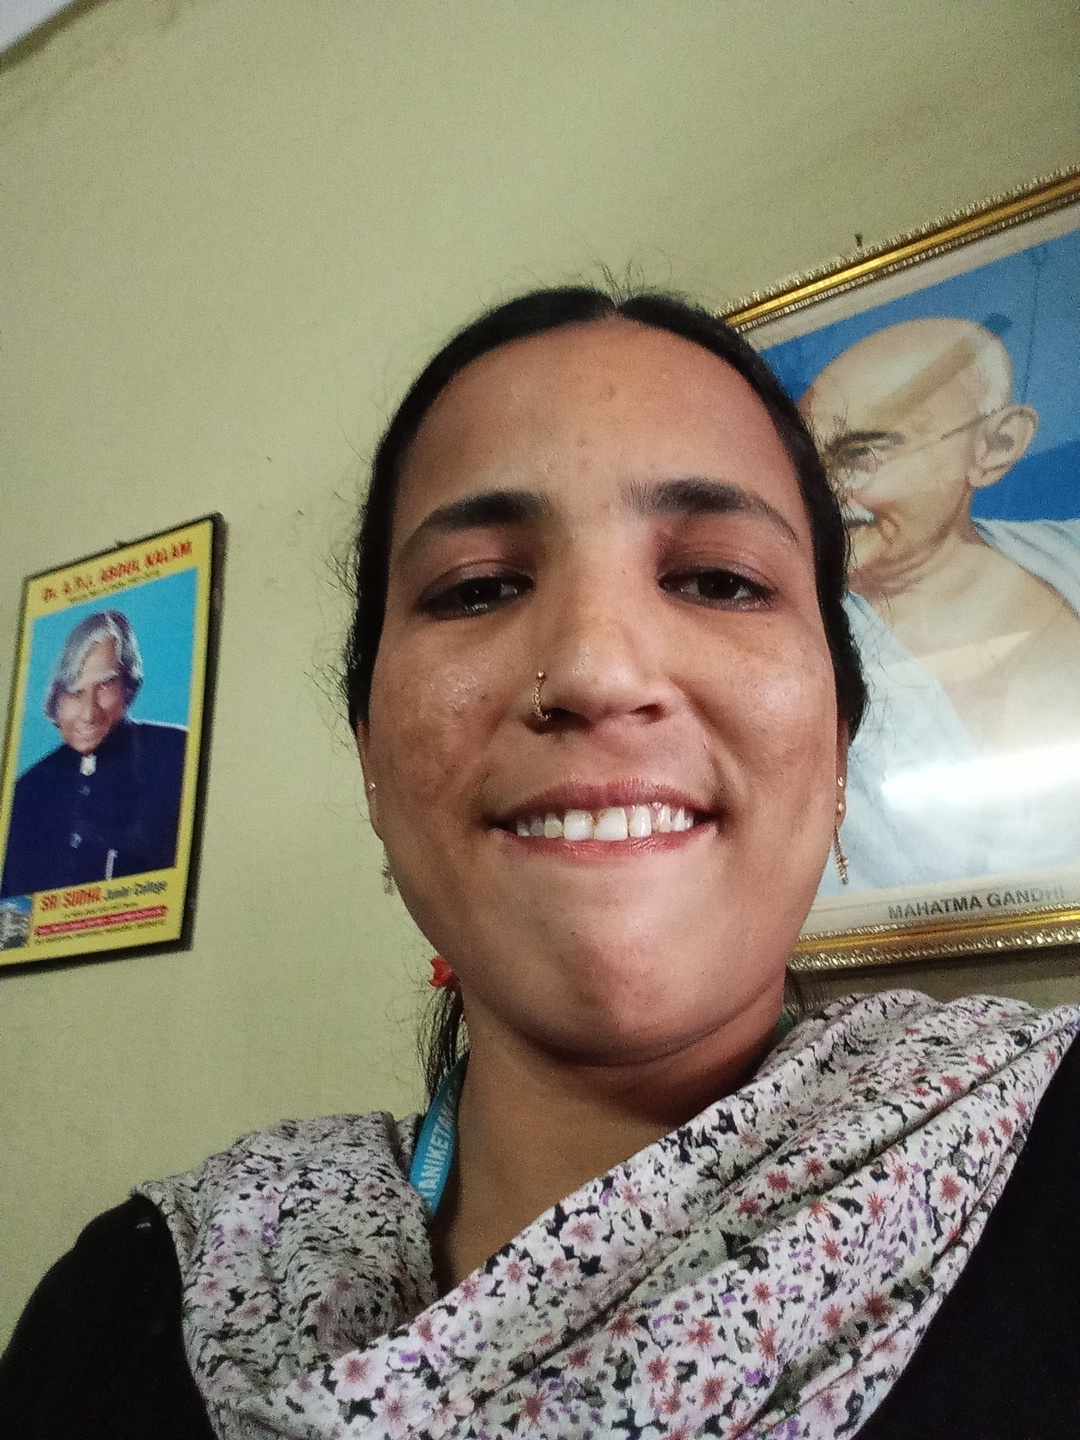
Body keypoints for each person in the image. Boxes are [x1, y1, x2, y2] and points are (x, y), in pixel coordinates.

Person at [2, 289, 1077, 1439]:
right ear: (370, 753)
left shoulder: (1045, 1154)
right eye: (478, 588)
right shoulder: (131, 1304)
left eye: (720, 579)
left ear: (839, 742)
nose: (597, 671)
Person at [801, 317, 1080, 890]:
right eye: (808, 470)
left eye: (861, 455)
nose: (825, 498)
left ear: (996, 446)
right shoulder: (796, 652)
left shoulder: (1069, 553)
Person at [0, 609, 187, 898]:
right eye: (74, 692)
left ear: (129, 688)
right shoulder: (26, 794)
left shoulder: (177, 754)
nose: (89, 713)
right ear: (55, 701)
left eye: (105, 684)